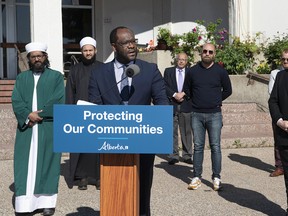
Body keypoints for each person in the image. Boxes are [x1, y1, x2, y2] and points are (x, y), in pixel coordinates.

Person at [88, 26, 169, 216]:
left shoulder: (150, 70)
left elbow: (162, 103)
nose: (132, 46)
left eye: (133, 41)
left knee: (142, 190)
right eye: (126, 43)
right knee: (114, 190)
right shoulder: (99, 73)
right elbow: (94, 106)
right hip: (110, 144)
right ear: (114, 47)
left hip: (143, 143)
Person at [11, 42, 65, 216]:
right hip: (27, 128)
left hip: (47, 127)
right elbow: (16, 100)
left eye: (40, 56)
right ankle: (24, 204)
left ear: (45, 57)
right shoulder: (22, 78)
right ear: (29, 59)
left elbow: (59, 98)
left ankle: (47, 203)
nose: (36, 59)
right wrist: (28, 115)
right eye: (33, 56)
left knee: (48, 164)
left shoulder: (56, 77)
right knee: (24, 165)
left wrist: (39, 115)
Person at [184, 43, 232, 191]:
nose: (207, 53)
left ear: (214, 54)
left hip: (215, 114)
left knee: (215, 147)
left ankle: (216, 177)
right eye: (204, 51)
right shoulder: (192, 71)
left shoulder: (221, 72)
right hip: (196, 114)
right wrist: (197, 101)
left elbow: (228, 90)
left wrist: (216, 99)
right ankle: (197, 176)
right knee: (198, 147)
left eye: (210, 51)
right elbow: (187, 89)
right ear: (201, 53)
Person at [66, 36, 103, 190]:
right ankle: (82, 177)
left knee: (98, 145)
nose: (88, 53)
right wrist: (70, 112)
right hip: (80, 112)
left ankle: (99, 177)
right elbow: (70, 92)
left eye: (90, 50)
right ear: (81, 52)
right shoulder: (75, 69)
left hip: (99, 112)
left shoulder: (103, 68)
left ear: (95, 50)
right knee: (81, 145)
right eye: (85, 50)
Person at [164, 52, 193, 165]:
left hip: (186, 104)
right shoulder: (168, 71)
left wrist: (184, 94)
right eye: (179, 59)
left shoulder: (191, 72)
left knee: (186, 131)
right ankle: (173, 155)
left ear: (187, 61)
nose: (181, 61)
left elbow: (193, 86)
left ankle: (187, 155)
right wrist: (175, 94)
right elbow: (164, 85)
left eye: (184, 60)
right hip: (172, 103)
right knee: (172, 131)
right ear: (176, 60)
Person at [269, 48, 288, 215]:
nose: (285, 62)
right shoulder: (280, 76)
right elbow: (273, 100)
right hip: (284, 134)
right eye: (283, 60)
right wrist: (279, 121)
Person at [268, 62, 285, 177]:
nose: (285, 61)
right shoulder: (276, 73)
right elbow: (272, 93)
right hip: (279, 112)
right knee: (278, 141)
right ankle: (279, 166)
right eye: (283, 59)